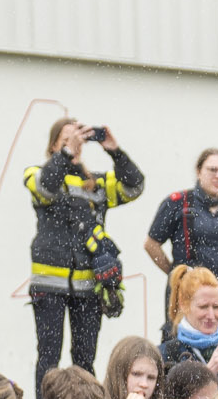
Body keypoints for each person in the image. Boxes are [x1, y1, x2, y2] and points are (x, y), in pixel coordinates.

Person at [26, 116, 142, 382]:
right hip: (49, 285)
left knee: (84, 360)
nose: (76, 145)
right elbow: (45, 186)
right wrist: (68, 153)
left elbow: (134, 187)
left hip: (89, 287)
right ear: (53, 148)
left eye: (79, 139)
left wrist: (114, 150)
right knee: (49, 358)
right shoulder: (36, 174)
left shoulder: (97, 184)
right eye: (67, 140)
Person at [142, 148, 218, 332]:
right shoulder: (177, 203)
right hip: (188, 294)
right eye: (212, 170)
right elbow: (151, 244)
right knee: (181, 348)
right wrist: (175, 273)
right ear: (199, 171)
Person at [157, 266, 218, 383]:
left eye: (216, 307)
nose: (211, 315)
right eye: (203, 307)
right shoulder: (166, 353)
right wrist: (209, 373)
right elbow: (168, 398)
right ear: (183, 305)